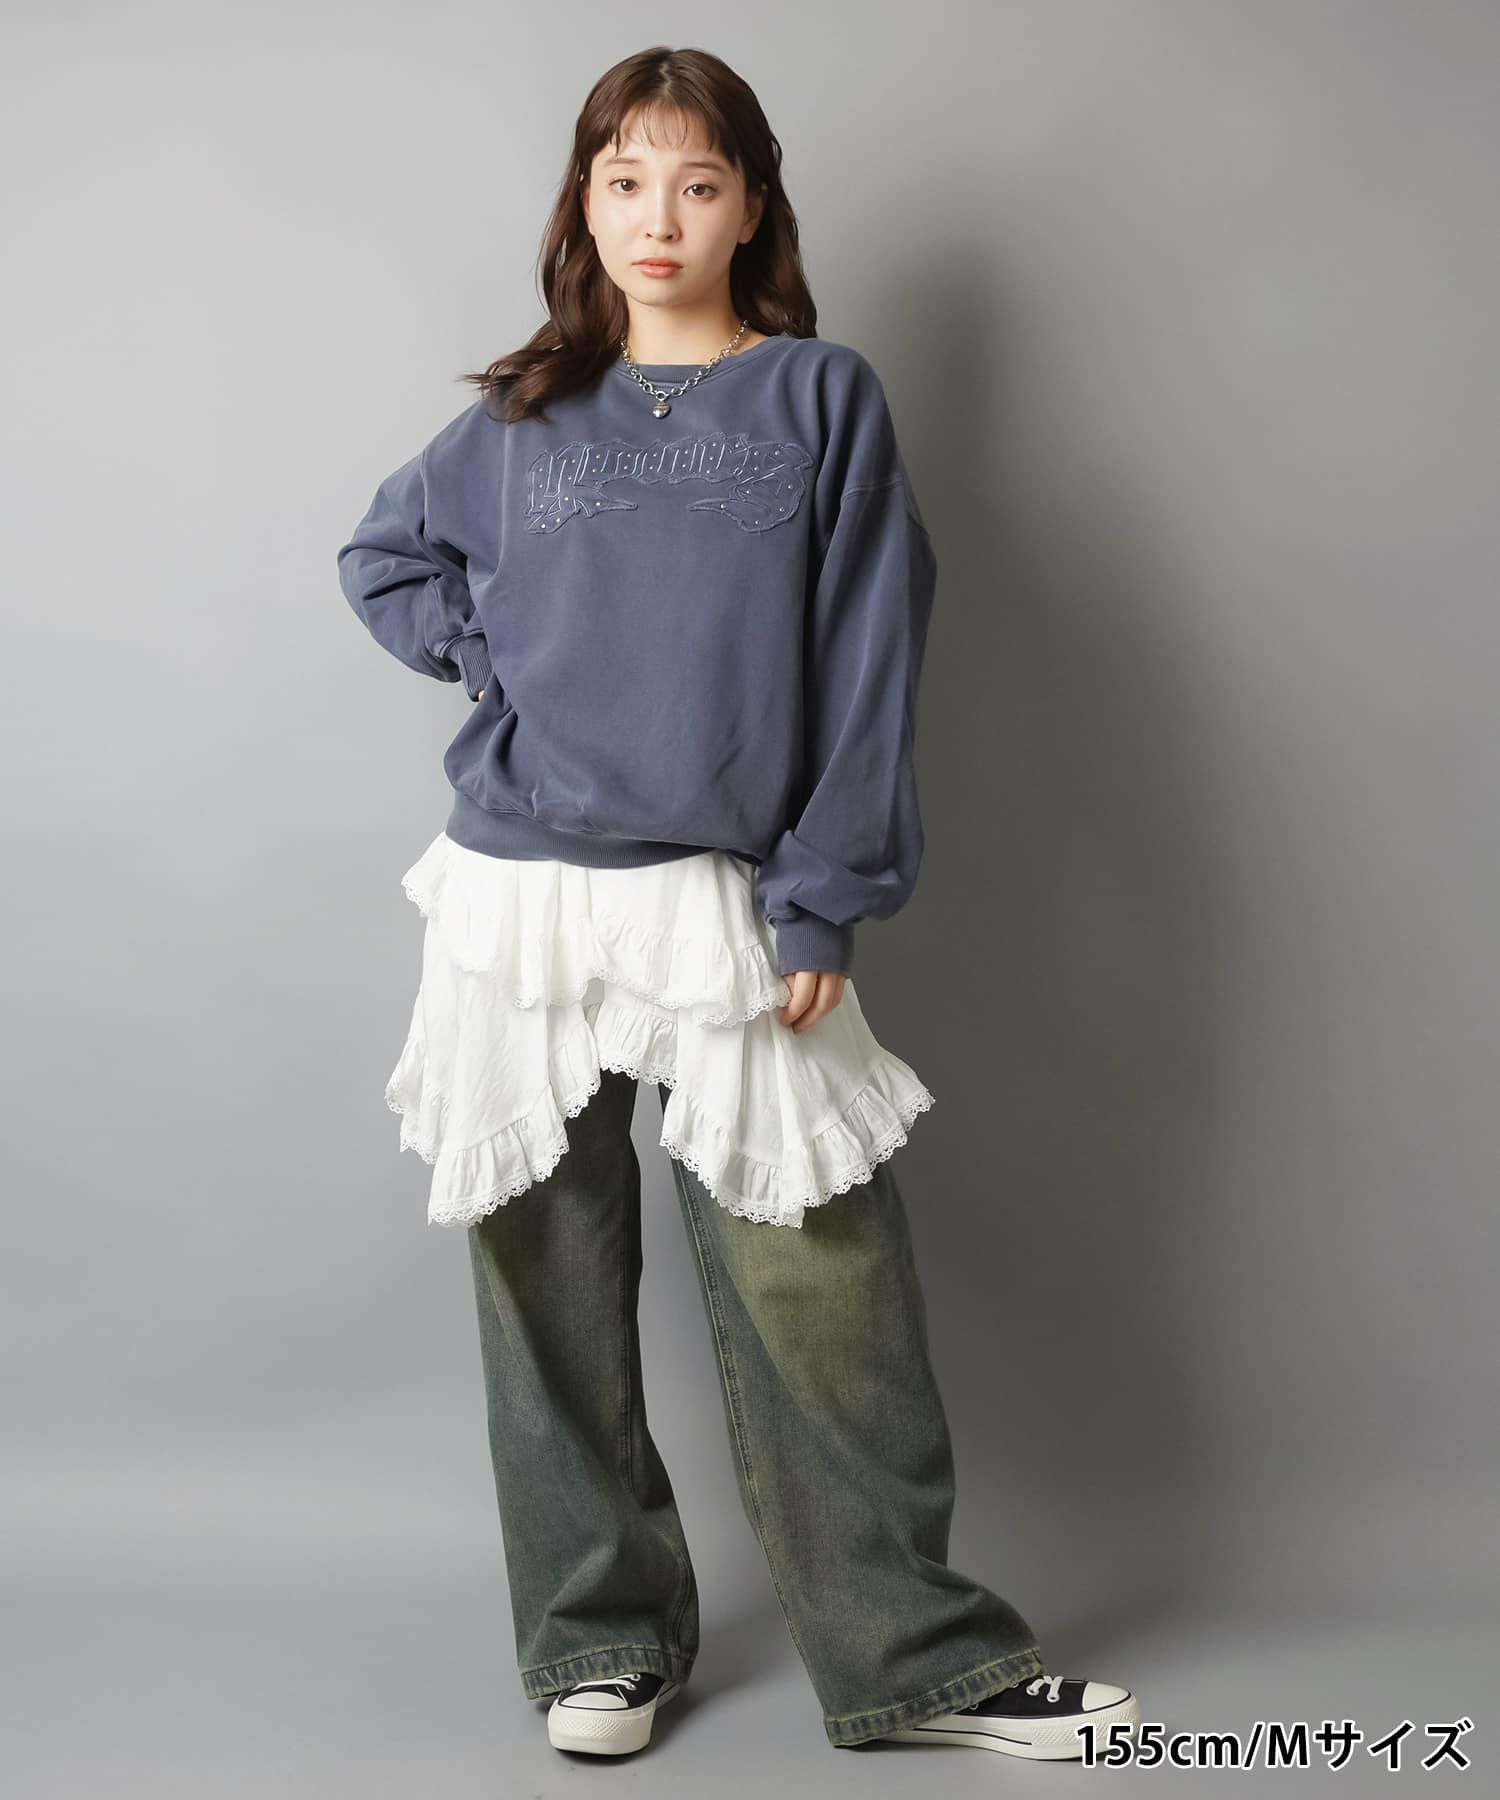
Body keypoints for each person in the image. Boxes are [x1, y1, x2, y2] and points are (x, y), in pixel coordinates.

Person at [337, 43, 1138, 1763]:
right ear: (586, 202)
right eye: (625, 180)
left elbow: (870, 654)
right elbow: (387, 556)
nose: (659, 216)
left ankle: (917, 1658)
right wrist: (501, 670)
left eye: (697, 183)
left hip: (728, 895)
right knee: (545, 1282)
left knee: (820, 1281)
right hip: (521, 895)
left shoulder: (820, 398)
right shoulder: (521, 416)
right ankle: (598, 1643)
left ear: (752, 207)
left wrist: (822, 899)